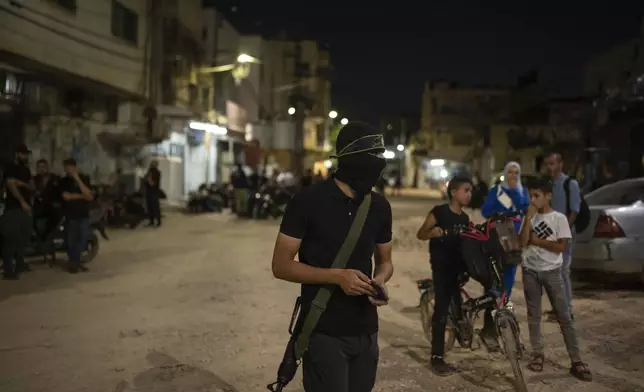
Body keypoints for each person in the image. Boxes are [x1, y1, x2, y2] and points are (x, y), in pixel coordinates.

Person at [271, 122, 393, 392]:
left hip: (366, 331)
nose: (378, 164)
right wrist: (336, 276)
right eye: (371, 156)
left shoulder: (380, 206)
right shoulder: (308, 201)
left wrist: (380, 282)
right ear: (349, 158)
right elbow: (280, 266)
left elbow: (385, 262)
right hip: (323, 330)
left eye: (380, 157)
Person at [519, 177, 592, 381]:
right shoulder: (530, 216)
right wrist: (527, 219)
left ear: (548, 196)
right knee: (533, 315)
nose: (533, 200)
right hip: (530, 270)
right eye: (530, 195)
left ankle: (576, 360)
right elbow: (522, 243)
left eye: (537, 196)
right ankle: (538, 354)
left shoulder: (559, 218)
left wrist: (537, 240)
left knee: (564, 316)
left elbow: (561, 247)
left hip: (552, 271)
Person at [415, 175, 472, 375]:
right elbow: (420, 234)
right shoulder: (439, 212)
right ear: (454, 192)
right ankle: (437, 356)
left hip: (458, 267)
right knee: (441, 309)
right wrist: (433, 232)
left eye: (470, 191)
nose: (469, 194)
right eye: (466, 190)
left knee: (459, 306)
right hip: (441, 267)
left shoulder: (465, 219)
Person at [480, 162, 529, 344]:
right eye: (510, 171)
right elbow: (485, 211)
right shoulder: (497, 191)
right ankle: (488, 329)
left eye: (516, 172)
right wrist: (501, 213)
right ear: (505, 173)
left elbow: (527, 211)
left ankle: (502, 327)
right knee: (493, 283)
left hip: (513, 243)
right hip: (496, 240)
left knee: (507, 284)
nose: (513, 175)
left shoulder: (523, 192)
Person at [543, 152, 580, 321]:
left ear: (560, 164)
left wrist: (564, 231)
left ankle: (567, 310)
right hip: (550, 236)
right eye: (547, 164)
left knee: (563, 272)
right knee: (554, 274)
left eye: (552, 163)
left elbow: (574, 210)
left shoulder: (569, 184)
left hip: (564, 237)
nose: (549, 167)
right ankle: (559, 308)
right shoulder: (550, 185)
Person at [1, 144, 35, 279]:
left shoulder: (25, 170)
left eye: (26, 154)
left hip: (25, 209)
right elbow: (10, 184)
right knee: (11, 240)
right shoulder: (10, 168)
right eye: (23, 154)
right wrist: (22, 201)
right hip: (13, 208)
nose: (25, 157)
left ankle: (20, 264)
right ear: (16, 154)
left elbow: (31, 187)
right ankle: (8, 270)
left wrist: (21, 183)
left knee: (23, 238)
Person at [57, 158, 94, 274]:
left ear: (76, 167)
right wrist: (82, 195)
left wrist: (78, 180)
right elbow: (66, 197)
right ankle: (73, 263)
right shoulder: (63, 182)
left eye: (71, 168)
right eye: (66, 168)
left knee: (82, 240)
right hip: (71, 215)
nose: (69, 170)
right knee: (71, 241)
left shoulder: (85, 178)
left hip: (83, 215)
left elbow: (90, 196)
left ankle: (76, 261)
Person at [144, 161, 162, 226]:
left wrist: (149, 179)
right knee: (150, 207)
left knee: (155, 207)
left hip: (154, 192)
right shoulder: (149, 172)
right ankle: (151, 221)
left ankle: (158, 221)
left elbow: (153, 183)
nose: (151, 165)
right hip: (149, 191)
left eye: (153, 164)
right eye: (151, 164)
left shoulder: (157, 172)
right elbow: (145, 180)